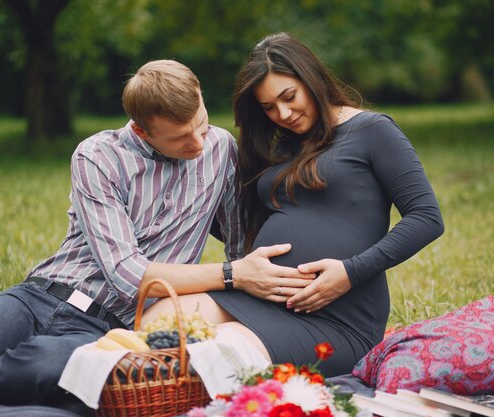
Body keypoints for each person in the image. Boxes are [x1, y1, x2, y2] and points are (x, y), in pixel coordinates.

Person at [0, 59, 313, 414]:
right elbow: (129, 276)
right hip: (37, 298)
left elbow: (240, 245)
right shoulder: (98, 156)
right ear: (141, 132)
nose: (197, 143)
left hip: (105, 331)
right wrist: (234, 275)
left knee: (50, 377)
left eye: (202, 125)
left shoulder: (220, 149)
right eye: (180, 138)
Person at [148, 33, 445, 378]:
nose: (283, 114)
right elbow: (235, 220)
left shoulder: (373, 130)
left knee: (221, 349)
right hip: (258, 297)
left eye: (289, 97)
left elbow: (427, 218)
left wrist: (350, 273)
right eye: (268, 107)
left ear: (311, 77)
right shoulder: (283, 146)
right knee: (155, 324)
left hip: (336, 317)